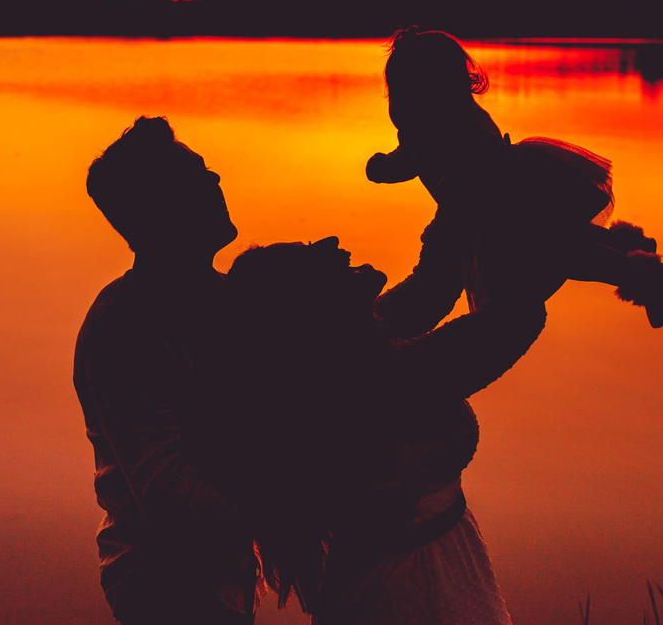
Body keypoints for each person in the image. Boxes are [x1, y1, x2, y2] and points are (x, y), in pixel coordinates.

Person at [194, 230, 552, 625]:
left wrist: (460, 202)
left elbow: (436, 282)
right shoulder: (372, 380)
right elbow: (511, 320)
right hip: (404, 592)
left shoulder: (351, 339)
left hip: (439, 564)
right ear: (310, 308)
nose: (329, 241)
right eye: (313, 255)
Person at [367, 27, 663, 329]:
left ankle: (644, 276)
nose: (399, 103)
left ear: (436, 88)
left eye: (404, 92)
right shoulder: (423, 130)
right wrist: (383, 168)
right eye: (394, 94)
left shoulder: (459, 121)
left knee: (561, 252)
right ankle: (625, 245)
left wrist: (459, 180)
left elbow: (483, 153)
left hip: (503, 206)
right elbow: (409, 161)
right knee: (563, 239)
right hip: (481, 208)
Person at [73, 116, 258, 625]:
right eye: (199, 176)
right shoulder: (123, 328)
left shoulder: (227, 298)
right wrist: (303, 510)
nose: (217, 179)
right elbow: (171, 494)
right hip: (163, 588)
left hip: (225, 572)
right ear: (165, 209)